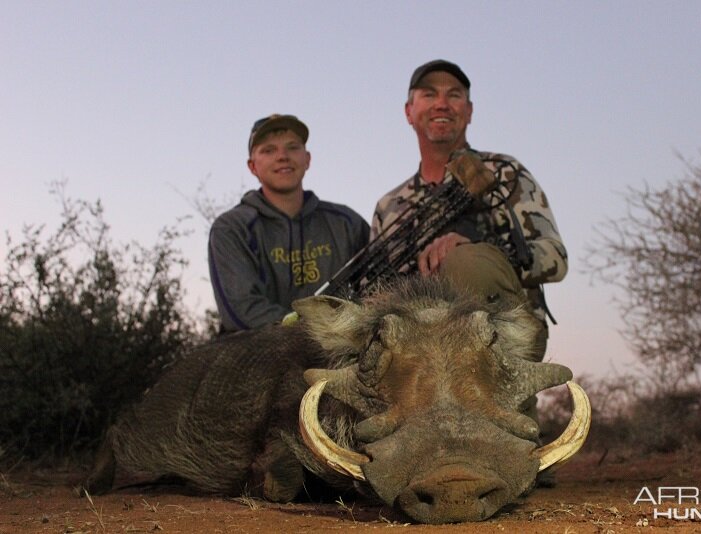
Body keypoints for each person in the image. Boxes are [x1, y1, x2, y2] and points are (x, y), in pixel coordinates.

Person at [372, 60, 568, 361]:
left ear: (470, 111)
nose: (441, 104)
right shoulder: (389, 205)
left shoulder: (504, 172)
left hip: (503, 336)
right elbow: (372, 294)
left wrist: (477, 250)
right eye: (428, 95)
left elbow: (555, 256)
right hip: (419, 351)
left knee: (465, 261)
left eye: (454, 94)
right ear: (409, 112)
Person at [209, 114, 370, 333]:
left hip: (342, 359)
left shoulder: (348, 223)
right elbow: (242, 311)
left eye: (292, 147)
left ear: (308, 159)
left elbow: (379, 290)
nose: (282, 156)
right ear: (252, 166)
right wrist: (320, 331)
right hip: (260, 357)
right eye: (268, 150)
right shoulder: (231, 228)